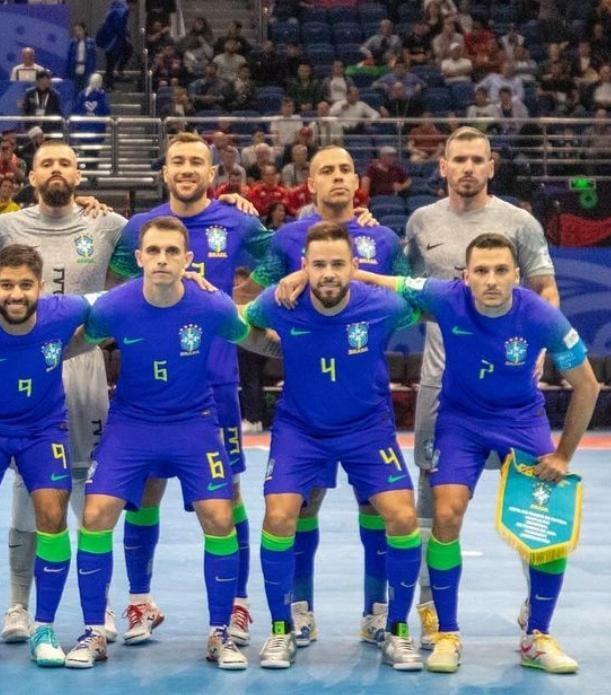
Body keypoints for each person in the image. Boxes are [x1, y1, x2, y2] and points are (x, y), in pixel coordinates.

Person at [353, 235, 597, 674]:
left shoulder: (541, 315)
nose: (490, 280)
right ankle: (447, 634)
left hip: (521, 420)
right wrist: (316, 275)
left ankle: (537, 635)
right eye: (481, 271)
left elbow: (587, 384)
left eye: (500, 270)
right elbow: (384, 281)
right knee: (446, 514)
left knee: (548, 529)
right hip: (461, 422)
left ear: (516, 276)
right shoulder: (446, 297)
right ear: (465, 277)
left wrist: (562, 454)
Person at [65, 216, 268, 670]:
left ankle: (220, 634)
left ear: (188, 259)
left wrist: (306, 339)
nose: (161, 259)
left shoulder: (211, 306)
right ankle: (94, 631)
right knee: (96, 515)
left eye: (171, 252)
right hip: (131, 425)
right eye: (153, 251)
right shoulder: (114, 306)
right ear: (139, 258)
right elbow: (75, 344)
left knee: (220, 517)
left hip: (193, 424)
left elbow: (257, 338)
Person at [108, 132, 271, 646]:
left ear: (212, 170)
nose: (185, 169)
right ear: (164, 170)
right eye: (177, 161)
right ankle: (139, 602)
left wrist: (233, 297)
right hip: (148, 388)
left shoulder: (237, 221)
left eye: (195, 162)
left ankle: (238, 605)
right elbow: (117, 279)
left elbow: (275, 264)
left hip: (216, 381)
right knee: (144, 493)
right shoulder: (140, 227)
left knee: (229, 496)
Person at [402, 127, 559, 651]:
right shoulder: (421, 222)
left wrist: (542, 349)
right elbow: (403, 289)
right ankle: (429, 606)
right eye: (458, 160)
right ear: (442, 166)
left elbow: (544, 288)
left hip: (511, 392)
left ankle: (534, 607)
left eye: (477, 159)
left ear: (492, 166)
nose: (467, 168)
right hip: (441, 389)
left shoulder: (520, 223)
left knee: (532, 494)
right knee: (435, 500)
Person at [244, 222, 424, 671]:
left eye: (338, 265)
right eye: (318, 264)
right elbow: (236, 322)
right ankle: (283, 628)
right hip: (300, 428)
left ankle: (395, 628)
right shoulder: (280, 302)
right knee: (280, 515)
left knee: (402, 516)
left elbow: (433, 301)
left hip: (367, 428)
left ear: (354, 267)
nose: (328, 273)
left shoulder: (384, 306)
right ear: (303, 267)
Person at [0, 245, 95, 666]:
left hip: (42, 429)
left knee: (52, 515)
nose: (16, 294)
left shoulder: (65, 312)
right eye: (6, 285)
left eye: (26, 285)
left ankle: (43, 627)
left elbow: (122, 301)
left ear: (40, 288)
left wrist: (187, 280)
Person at [97, 0, 132, 89]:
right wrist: (125, 35)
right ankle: (110, 82)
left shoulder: (115, 6)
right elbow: (119, 26)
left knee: (112, 61)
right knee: (112, 61)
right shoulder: (123, 9)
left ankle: (111, 80)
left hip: (109, 38)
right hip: (114, 39)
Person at [67, 22, 97, 93]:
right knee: (75, 90)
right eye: (76, 31)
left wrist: (93, 70)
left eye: (79, 30)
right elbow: (69, 57)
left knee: (86, 90)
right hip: (75, 68)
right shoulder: (72, 42)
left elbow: (93, 58)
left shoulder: (91, 42)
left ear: (84, 30)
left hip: (87, 69)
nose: (78, 33)